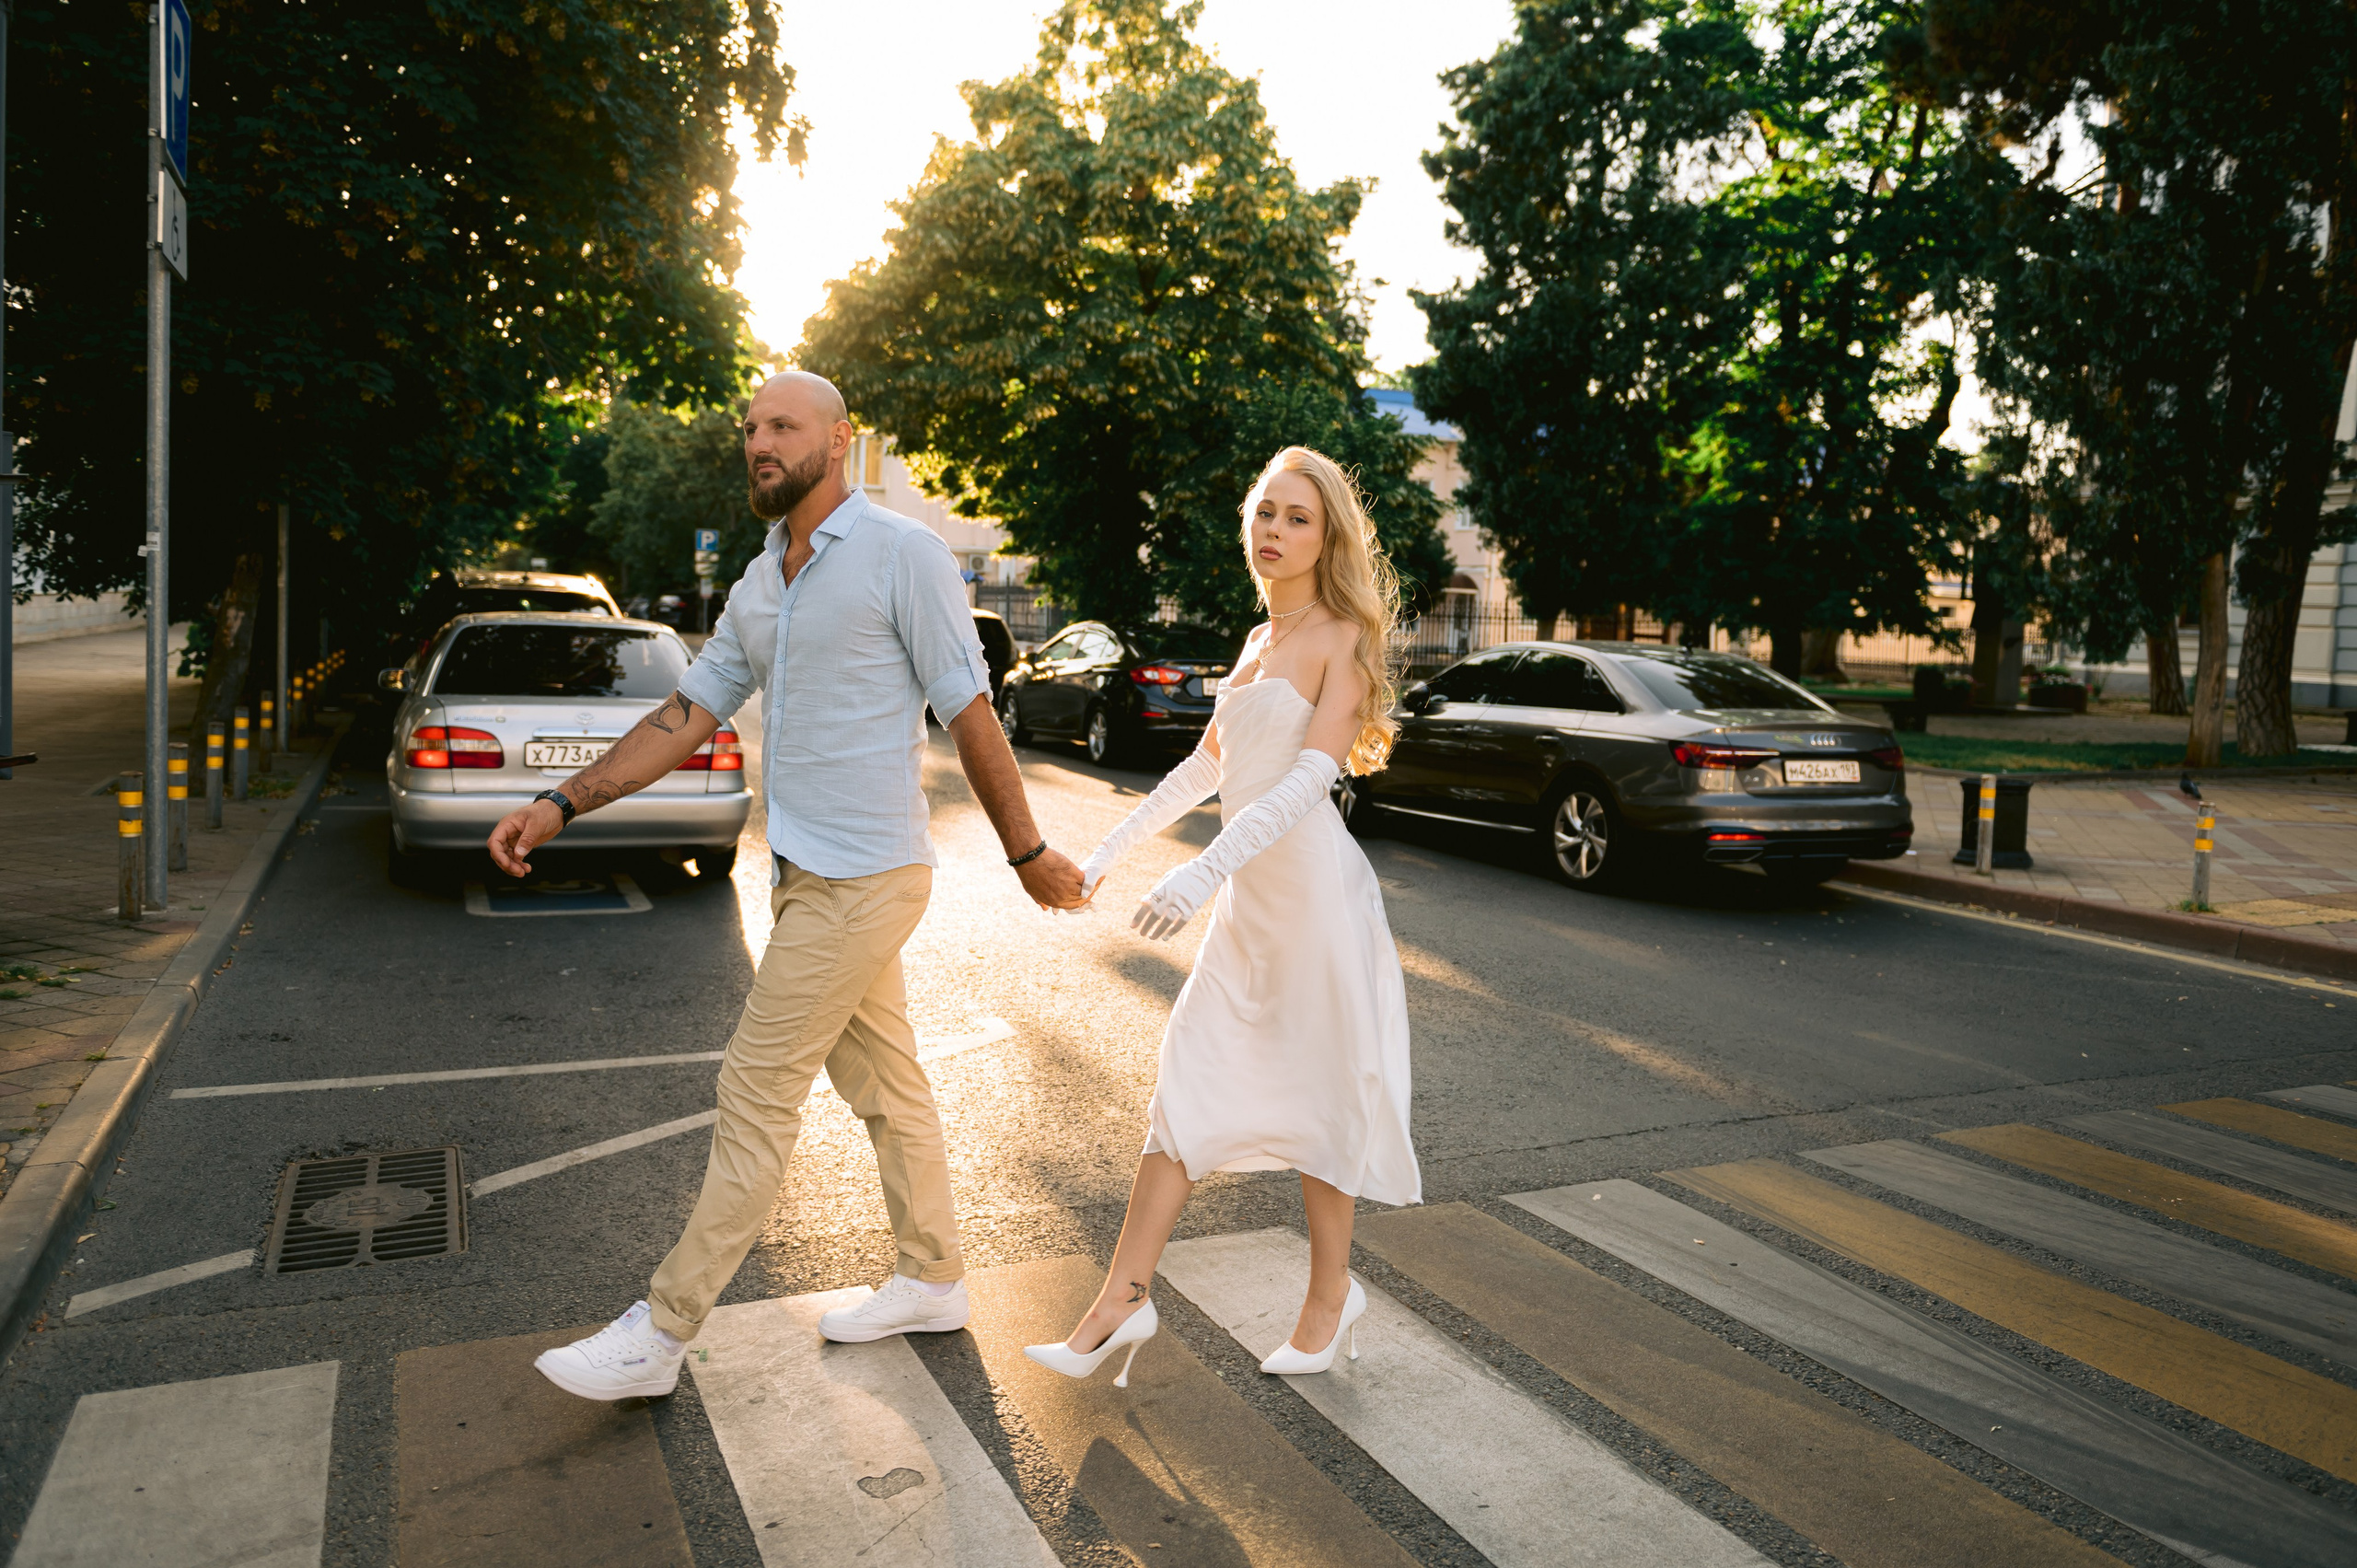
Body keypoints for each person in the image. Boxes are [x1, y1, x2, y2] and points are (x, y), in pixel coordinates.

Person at [495, 371, 1089, 1401]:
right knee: (888, 1086)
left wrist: (1027, 850)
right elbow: (684, 716)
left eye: (782, 425)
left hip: (868, 873)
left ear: (839, 438)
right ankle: (933, 1276)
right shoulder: (760, 580)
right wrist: (559, 803)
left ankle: (663, 1330)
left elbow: (969, 708)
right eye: (750, 428)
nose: (759, 442)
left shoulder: (903, 552)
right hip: (803, 872)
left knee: (756, 1086)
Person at [1025, 446, 1420, 1388]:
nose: (1273, 530)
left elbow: (1305, 782)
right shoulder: (1255, 640)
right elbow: (1205, 767)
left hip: (1312, 900)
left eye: (1297, 517)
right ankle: (1121, 1298)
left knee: (1323, 1093)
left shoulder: (1340, 640)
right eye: (1264, 511)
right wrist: (1109, 852)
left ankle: (1329, 1296)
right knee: (1185, 1083)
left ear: (1328, 538)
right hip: (1248, 901)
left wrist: (1201, 873)